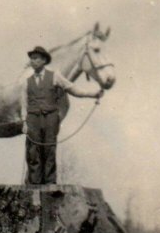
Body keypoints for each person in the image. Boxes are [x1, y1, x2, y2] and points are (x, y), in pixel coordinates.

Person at [18, 46, 103, 185]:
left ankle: (50, 184)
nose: (33, 61)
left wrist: (92, 94)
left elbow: (72, 89)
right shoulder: (26, 81)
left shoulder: (55, 75)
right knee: (33, 151)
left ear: (44, 60)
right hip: (32, 118)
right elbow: (24, 103)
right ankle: (34, 185)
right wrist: (24, 122)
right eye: (31, 59)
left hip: (51, 118)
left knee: (49, 150)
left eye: (36, 58)